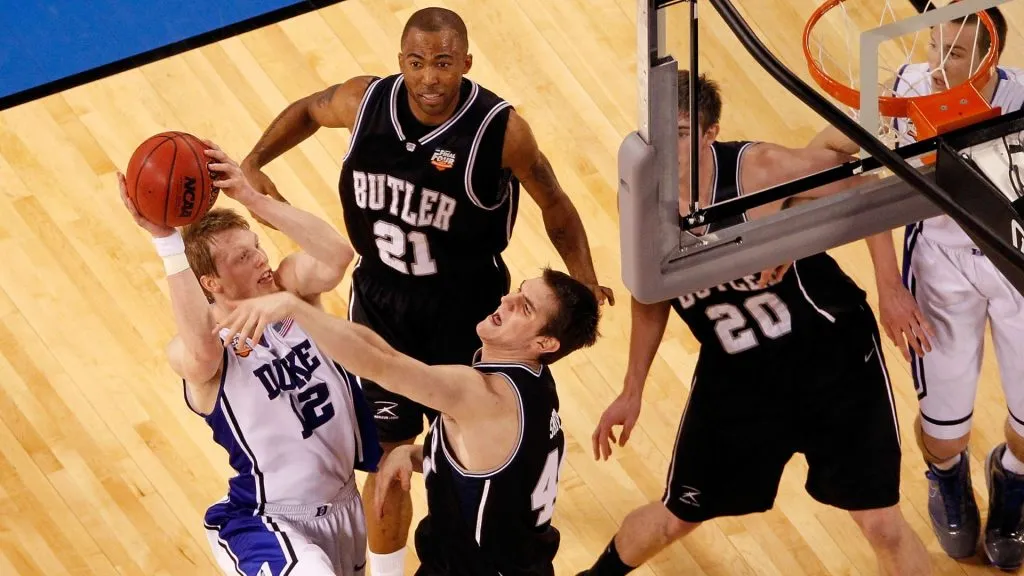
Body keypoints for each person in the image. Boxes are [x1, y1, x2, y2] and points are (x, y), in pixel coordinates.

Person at [240, 8, 612, 574]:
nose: (430, 77)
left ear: (465, 62)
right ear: (401, 63)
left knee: (472, 443)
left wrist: (582, 281)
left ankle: (494, 535)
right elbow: (309, 108)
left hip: (466, 310)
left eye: (443, 63)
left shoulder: (499, 130)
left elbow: (555, 202)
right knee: (389, 458)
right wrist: (256, 159)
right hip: (382, 294)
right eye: (417, 63)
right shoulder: (365, 101)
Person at [577, 71, 932, 576]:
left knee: (881, 524)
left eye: (679, 133)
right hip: (738, 374)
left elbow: (862, 187)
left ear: (709, 132)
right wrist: (632, 389)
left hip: (832, 361)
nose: (665, 147)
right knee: (675, 517)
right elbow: (649, 292)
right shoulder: (641, 197)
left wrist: (889, 288)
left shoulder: (762, 170)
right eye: (657, 133)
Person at [811, 7, 1024, 569]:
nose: (936, 63)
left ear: (989, 57)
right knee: (944, 429)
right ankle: (948, 477)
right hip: (939, 263)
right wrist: (887, 284)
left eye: (954, 53)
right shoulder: (901, 95)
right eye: (933, 45)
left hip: (1016, 264)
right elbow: (830, 156)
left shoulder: (1022, 101)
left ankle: (1013, 479)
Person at [214, 267, 601, 575]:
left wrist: (295, 309)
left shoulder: (481, 393)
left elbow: (384, 366)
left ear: (545, 343)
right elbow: (497, 473)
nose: (507, 298)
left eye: (526, 307)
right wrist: (418, 455)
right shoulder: (536, 382)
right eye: (518, 290)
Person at [118, 142, 380, 576]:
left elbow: (337, 255)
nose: (261, 258)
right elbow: (200, 352)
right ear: (212, 282)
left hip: (344, 506)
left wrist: (251, 197)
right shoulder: (203, 348)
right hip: (267, 522)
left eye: (256, 246)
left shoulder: (291, 293)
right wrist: (166, 243)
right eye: (243, 257)